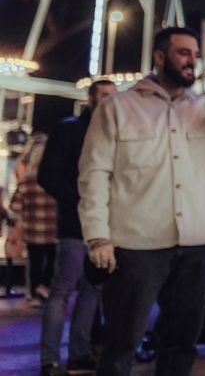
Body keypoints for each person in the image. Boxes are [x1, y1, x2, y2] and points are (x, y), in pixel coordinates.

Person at [79, 26, 205, 376]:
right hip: (136, 245)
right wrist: (97, 236)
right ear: (160, 58)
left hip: (196, 245)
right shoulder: (118, 108)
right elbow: (94, 174)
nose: (192, 61)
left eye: (194, 54)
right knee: (121, 343)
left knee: (181, 342)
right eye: (183, 53)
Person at [37, 79, 116, 376]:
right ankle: (50, 359)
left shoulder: (112, 132)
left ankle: (80, 354)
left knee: (92, 291)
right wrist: (81, 202)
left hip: (105, 227)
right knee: (62, 291)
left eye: (114, 97)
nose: (111, 102)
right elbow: (48, 174)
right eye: (105, 96)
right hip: (74, 226)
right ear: (91, 99)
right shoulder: (70, 129)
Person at [10, 134, 58, 302]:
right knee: (52, 261)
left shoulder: (26, 181)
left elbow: (15, 206)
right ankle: (44, 287)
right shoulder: (55, 179)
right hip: (54, 231)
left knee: (35, 262)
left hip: (32, 231)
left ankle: (33, 293)